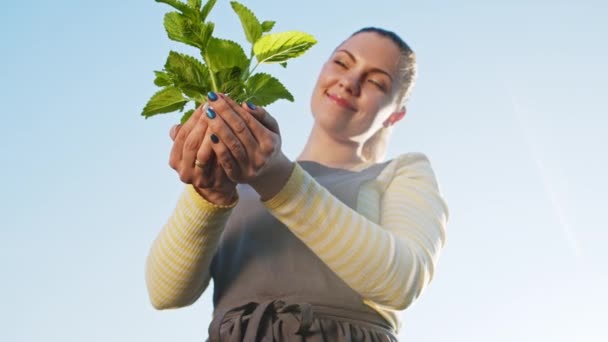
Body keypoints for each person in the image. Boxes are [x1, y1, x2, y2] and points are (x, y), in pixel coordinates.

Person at [145, 27, 449, 341]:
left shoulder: (402, 172)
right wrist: (207, 194)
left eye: (375, 81)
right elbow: (165, 293)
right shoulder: (236, 175)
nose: (349, 82)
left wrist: (277, 179)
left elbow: (401, 281)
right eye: (342, 63)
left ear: (394, 116)